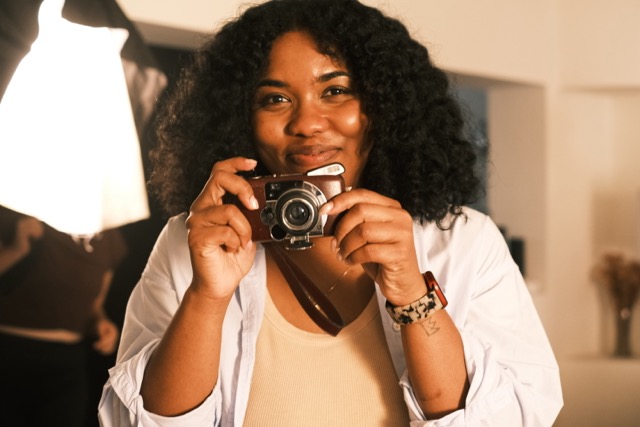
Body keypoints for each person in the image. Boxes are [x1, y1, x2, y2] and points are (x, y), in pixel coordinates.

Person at [99, 0, 563, 425]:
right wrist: (207, 296)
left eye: (336, 90)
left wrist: (410, 291)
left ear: (382, 107)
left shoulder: (464, 242)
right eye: (275, 99)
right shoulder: (198, 241)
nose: (306, 124)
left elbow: (514, 418)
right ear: (242, 119)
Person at [0, 205, 127, 427]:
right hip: (10, 354)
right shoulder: (21, 212)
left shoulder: (108, 237)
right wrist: (17, 249)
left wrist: (101, 324)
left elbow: (95, 306)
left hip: (67, 366)